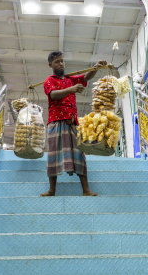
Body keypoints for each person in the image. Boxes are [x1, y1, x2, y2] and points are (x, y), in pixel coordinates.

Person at [40, 51, 107, 197]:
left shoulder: (70, 79)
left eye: (62, 61)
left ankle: (86, 190)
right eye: (57, 61)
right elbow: (53, 95)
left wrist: (95, 67)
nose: (61, 63)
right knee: (54, 155)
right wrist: (71, 89)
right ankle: (52, 190)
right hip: (56, 122)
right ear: (50, 64)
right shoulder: (49, 80)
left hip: (72, 123)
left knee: (79, 155)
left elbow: (85, 77)